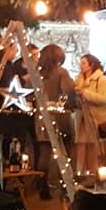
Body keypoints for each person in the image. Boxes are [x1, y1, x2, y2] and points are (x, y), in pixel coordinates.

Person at [35, 44, 75, 200]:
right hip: (59, 118)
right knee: (65, 153)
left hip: (41, 119)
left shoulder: (36, 74)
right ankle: (65, 186)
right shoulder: (61, 73)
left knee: (44, 153)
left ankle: (42, 186)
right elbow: (69, 90)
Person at [73, 54, 106, 176]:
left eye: (84, 63)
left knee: (95, 148)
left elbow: (105, 99)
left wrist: (85, 93)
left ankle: (96, 173)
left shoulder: (102, 80)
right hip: (82, 120)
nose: (81, 65)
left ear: (92, 65)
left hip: (96, 120)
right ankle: (82, 174)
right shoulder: (78, 80)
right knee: (81, 147)